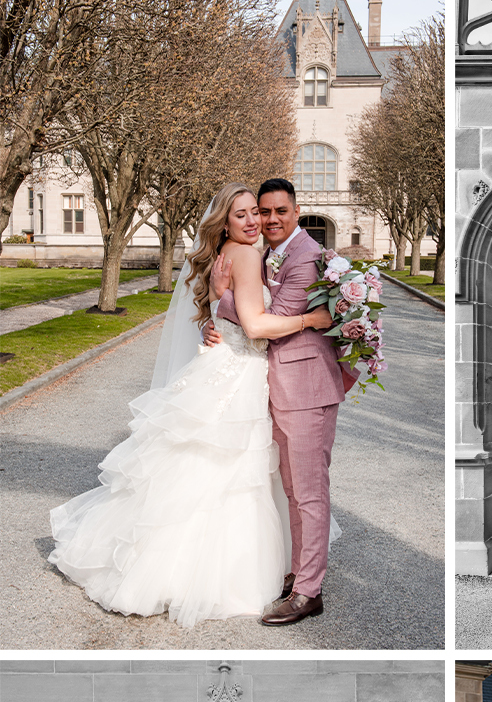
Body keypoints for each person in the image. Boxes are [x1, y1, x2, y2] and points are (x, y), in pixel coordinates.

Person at [48, 182, 333, 629]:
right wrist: (310, 319)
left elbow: (239, 313)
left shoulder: (260, 252)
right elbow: (258, 323)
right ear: (224, 220)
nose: (256, 221)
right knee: (227, 470)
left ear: (295, 212)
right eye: (244, 214)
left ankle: (289, 581)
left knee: (225, 468)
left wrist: (220, 307)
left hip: (240, 369)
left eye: (257, 213)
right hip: (240, 369)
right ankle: (230, 577)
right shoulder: (247, 253)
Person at [205, 179, 348, 627]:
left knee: (309, 493)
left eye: (278, 211)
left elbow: (269, 320)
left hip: (306, 389)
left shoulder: (305, 256)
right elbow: (251, 314)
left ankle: (309, 592)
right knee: (291, 491)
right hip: (276, 384)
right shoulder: (266, 251)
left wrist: (221, 296)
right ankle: (297, 575)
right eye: (262, 211)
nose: (268, 219)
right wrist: (215, 320)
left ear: (296, 210)